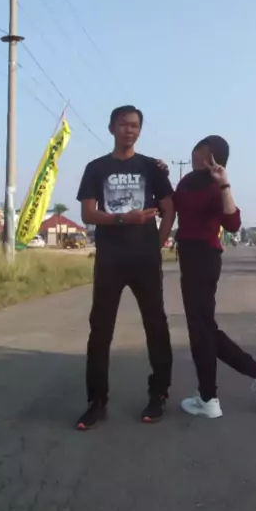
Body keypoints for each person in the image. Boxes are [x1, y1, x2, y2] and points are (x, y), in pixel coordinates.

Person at [75, 105, 175, 430]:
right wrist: (123, 218)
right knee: (100, 330)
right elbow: (88, 214)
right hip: (110, 260)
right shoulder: (96, 168)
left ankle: (158, 395)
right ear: (111, 128)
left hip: (145, 260)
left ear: (140, 130)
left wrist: (157, 244)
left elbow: (169, 209)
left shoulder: (152, 167)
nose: (128, 130)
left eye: (134, 125)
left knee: (156, 326)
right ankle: (96, 401)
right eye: (122, 124)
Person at [174, 135, 256, 419]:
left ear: (217, 160)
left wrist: (224, 184)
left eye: (206, 153)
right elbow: (171, 205)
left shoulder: (215, 185)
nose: (198, 156)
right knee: (203, 329)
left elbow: (232, 223)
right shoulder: (186, 182)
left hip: (205, 258)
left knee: (202, 329)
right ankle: (214, 394)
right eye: (197, 149)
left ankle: (217, 394)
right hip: (188, 257)